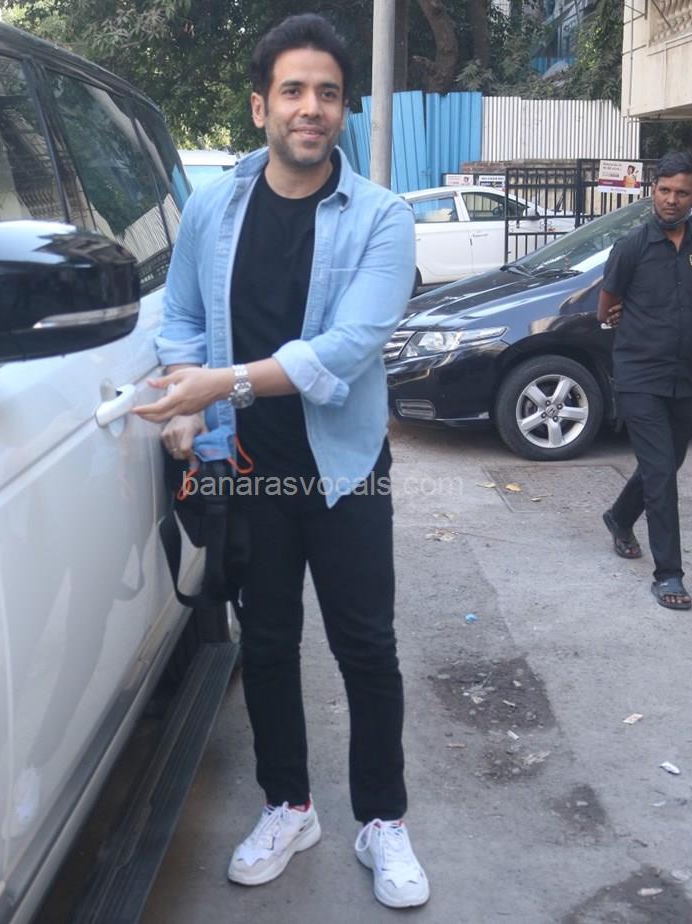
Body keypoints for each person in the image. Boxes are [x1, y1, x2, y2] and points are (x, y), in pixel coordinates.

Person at [133, 13, 429, 909]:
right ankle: (289, 806)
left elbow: (347, 348)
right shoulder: (214, 209)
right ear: (261, 106)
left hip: (343, 472)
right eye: (293, 91)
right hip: (248, 468)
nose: (311, 108)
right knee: (265, 644)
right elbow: (182, 316)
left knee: (366, 647)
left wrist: (218, 384)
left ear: (344, 110)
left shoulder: (380, 219)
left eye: (328, 94)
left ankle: (382, 820)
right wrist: (190, 404)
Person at [598, 150, 692, 610]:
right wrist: (625, 320)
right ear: (653, 189)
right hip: (639, 375)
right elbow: (606, 305)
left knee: (670, 461)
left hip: (684, 376)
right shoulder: (631, 246)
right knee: (661, 475)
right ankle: (669, 574)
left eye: (682, 193)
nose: (672, 200)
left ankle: (619, 517)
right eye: (665, 190)